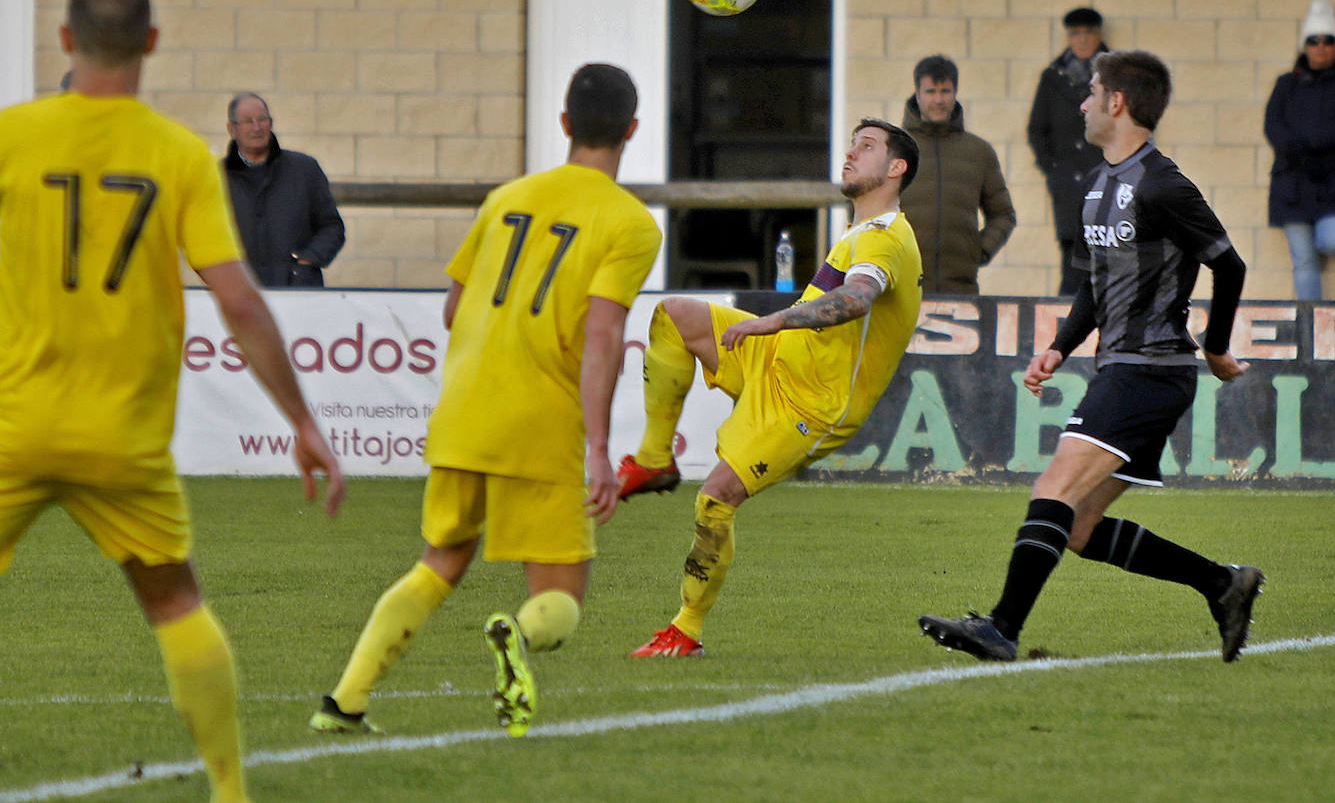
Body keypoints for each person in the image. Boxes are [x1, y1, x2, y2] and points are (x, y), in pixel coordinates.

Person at [0, 0, 346, 802]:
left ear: (65, 42)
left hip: (11, 423)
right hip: (122, 437)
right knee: (177, 606)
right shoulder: (175, 157)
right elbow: (239, 300)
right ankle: (229, 791)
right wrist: (302, 419)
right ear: (152, 43)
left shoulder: (12, 136)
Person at [309, 63, 661, 738]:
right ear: (632, 131)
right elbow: (603, 335)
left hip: (464, 410)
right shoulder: (630, 223)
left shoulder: (507, 198)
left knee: (439, 560)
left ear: (564, 124)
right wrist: (597, 448)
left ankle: (346, 702)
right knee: (559, 599)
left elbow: (451, 309)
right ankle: (515, 643)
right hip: (541, 418)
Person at [918, 50, 1263, 665]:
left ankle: (1001, 627)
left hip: (1151, 370)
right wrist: (1058, 347)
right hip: (1123, 369)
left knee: (1053, 487)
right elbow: (1092, 287)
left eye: (1092, 92)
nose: (1081, 103)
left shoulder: (1163, 183)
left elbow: (1227, 263)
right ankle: (1222, 584)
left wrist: (1214, 348)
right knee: (1076, 528)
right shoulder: (1098, 184)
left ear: (1117, 103)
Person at [618, 118, 924, 658]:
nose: (851, 153)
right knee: (674, 316)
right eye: (852, 143)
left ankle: (685, 629)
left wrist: (771, 320)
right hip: (777, 362)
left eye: (867, 147)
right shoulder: (859, 231)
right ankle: (654, 459)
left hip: (809, 404)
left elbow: (854, 301)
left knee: (716, 498)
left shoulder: (886, 240)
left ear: (896, 169)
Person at [1264, 0, 1335, 301]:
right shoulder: (1286, 85)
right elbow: (1273, 126)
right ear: (1304, 46)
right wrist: (1304, 147)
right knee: (1304, 262)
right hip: (1292, 185)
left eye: (1328, 41)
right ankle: (1310, 326)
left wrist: (1308, 143)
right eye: (1313, 41)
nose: (1321, 47)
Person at [900, 54, 1015, 295]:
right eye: (931, 91)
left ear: (955, 92)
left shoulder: (979, 151)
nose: (939, 99)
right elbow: (866, 212)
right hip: (901, 289)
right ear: (918, 95)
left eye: (946, 91)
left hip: (961, 291)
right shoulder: (894, 148)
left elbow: (1003, 214)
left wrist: (979, 250)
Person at [223, 92, 345, 287]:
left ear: (270, 123)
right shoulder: (216, 178)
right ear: (232, 129)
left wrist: (306, 261)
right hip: (241, 296)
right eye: (248, 121)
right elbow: (197, 238)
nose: (257, 127)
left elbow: (332, 227)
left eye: (262, 119)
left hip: (299, 295)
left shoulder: (305, 169)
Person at [1028, 7, 1109, 296]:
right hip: (1067, 185)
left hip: (1106, 181)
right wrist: (1054, 169)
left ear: (1099, 35)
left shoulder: (1116, 76)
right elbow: (1037, 129)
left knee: (1108, 253)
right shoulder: (1053, 77)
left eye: (1088, 33)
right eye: (1075, 34)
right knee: (1072, 259)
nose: (1082, 40)